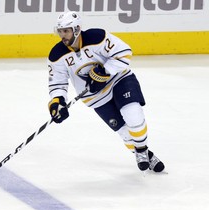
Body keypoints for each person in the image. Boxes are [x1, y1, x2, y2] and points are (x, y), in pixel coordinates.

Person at [47, 11, 165, 172]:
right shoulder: (56, 55)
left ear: (76, 29)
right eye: (60, 31)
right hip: (95, 97)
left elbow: (124, 52)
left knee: (133, 114)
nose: (62, 35)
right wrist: (57, 101)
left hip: (119, 80)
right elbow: (57, 83)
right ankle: (146, 155)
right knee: (124, 133)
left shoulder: (97, 37)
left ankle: (142, 149)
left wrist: (105, 71)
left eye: (66, 31)